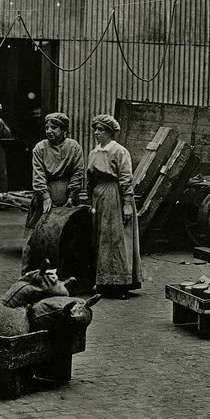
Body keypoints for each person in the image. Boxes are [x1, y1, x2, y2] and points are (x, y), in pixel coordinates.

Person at [21, 112, 85, 274]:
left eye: (54, 128)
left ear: (64, 130)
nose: (49, 130)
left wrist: (71, 197)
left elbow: (78, 173)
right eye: (47, 127)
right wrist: (45, 196)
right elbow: (38, 174)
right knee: (35, 236)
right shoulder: (40, 148)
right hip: (44, 197)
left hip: (66, 197)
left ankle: (66, 277)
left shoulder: (74, 147)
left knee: (68, 239)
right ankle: (31, 275)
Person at [86, 114, 140, 299]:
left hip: (115, 195)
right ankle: (103, 282)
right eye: (95, 129)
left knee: (117, 239)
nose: (96, 133)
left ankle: (120, 285)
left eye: (101, 130)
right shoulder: (94, 152)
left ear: (110, 132)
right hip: (99, 197)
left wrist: (126, 203)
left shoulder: (119, 151)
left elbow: (126, 178)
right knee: (100, 239)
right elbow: (90, 178)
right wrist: (88, 198)